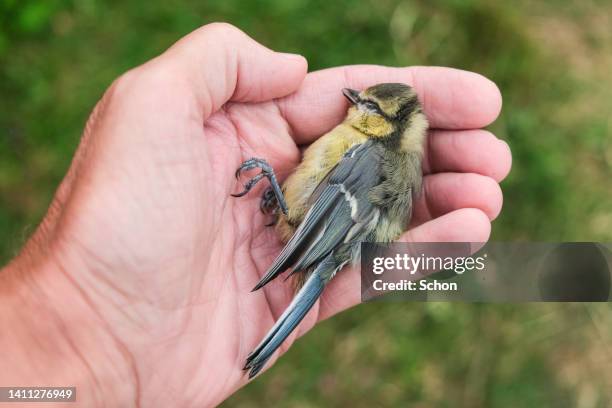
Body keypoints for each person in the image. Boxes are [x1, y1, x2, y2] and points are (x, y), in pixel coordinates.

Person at [0, 23, 511, 407]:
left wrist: (287, 228)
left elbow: (329, 217)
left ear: (386, 127)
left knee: (303, 210)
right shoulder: (376, 151)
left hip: (318, 236)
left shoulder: (367, 153)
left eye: (370, 109)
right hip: (326, 242)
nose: (358, 106)